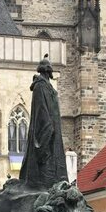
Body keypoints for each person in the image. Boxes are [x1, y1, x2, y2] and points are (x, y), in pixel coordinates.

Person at [18, 55, 68, 191]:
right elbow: (41, 111)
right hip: (47, 132)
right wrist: (47, 131)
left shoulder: (47, 86)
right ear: (47, 71)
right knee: (46, 173)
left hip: (52, 131)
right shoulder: (40, 86)